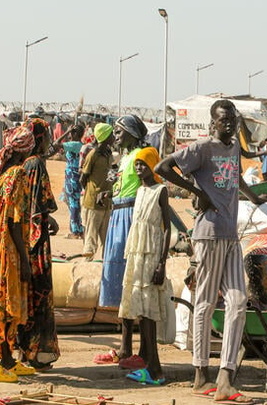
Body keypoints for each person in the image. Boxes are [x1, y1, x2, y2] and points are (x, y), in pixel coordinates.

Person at [155, 99, 267, 403]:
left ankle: (225, 376)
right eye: (223, 119)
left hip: (230, 234)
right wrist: (197, 192)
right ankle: (201, 374)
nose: (229, 123)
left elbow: (235, 177)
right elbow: (162, 167)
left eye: (233, 119)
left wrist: (254, 197)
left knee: (238, 301)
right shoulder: (202, 148)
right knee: (204, 303)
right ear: (213, 123)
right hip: (209, 234)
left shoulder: (233, 147)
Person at [0, 124, 35, 383]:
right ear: (26, 151)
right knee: (2, 304)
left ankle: (8, 360)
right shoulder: (17, 175)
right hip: (7, 249)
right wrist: (24, 259)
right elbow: (13, 222)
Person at [97, 115, 150, 369]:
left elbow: (149, 189)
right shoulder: (125, 157)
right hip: (118, 215)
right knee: (121, 282)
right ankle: (125, 347)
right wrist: (109, 193)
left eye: (119, 131)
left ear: (132, 133)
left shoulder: (141, 155)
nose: (115, 136)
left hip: (130, 217)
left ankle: (133, 349)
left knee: (131, 280)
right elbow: (122, 185)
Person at [119, 147, 173, 386]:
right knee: (141, 309)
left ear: (153, 166)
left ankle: (155, 369)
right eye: (137, 164)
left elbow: (167, 228)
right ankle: (149, 364)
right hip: (137, 254)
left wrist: (162, 263)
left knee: (149, 311)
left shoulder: (161, 191)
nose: (139, 168)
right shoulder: (140, 191)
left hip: (152, 255)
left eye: (143, 164)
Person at [21, 118, 61, 368]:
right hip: (35, 243)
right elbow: (37, 207)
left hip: (25, 236)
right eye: (46, 136)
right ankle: (35, 353)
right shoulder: (35, 164)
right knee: (40, 293)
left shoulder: (24, 163)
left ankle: (27, 351)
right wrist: (46, 220)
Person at [79, 123, 114, 259]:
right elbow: (83, 178)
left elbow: (110, 173)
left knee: (107, 237)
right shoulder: (93, 155)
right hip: (94, 202)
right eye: (111, 134)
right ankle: (87, 262)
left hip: (106, 201)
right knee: (91, 235)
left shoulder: (109, 154)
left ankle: (106, 263)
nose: (113, 137)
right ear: (105, 136)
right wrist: (92, 192)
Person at [59, 123, 86, 239]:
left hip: (72, 178)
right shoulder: (79, 145)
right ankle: (77, 228)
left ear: (75, 134)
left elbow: (56, 144)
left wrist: (65, 133)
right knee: (72, 203)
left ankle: (76, 231)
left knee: (73, 204)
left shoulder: (74, 145)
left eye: (71, 132)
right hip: (73, 177)